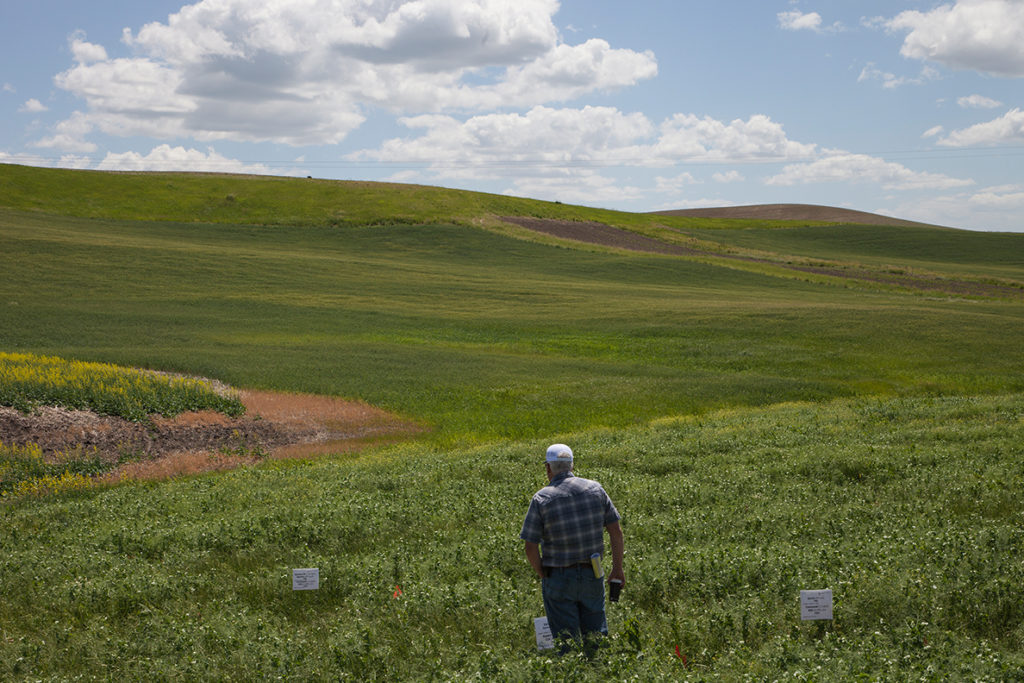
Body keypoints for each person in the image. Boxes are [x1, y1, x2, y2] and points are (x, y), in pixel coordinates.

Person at [520, 443, 625, 648]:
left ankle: (571, 671)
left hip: (557, 576)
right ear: (572, 465)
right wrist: (617, 568)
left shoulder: (542, 498)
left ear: (548, 468)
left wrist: (543, 573)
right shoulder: (596, 489)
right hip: (593, 573)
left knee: (565, 640)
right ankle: (598, 668)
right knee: (596, 635)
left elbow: (530, 547)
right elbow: (616, 531)